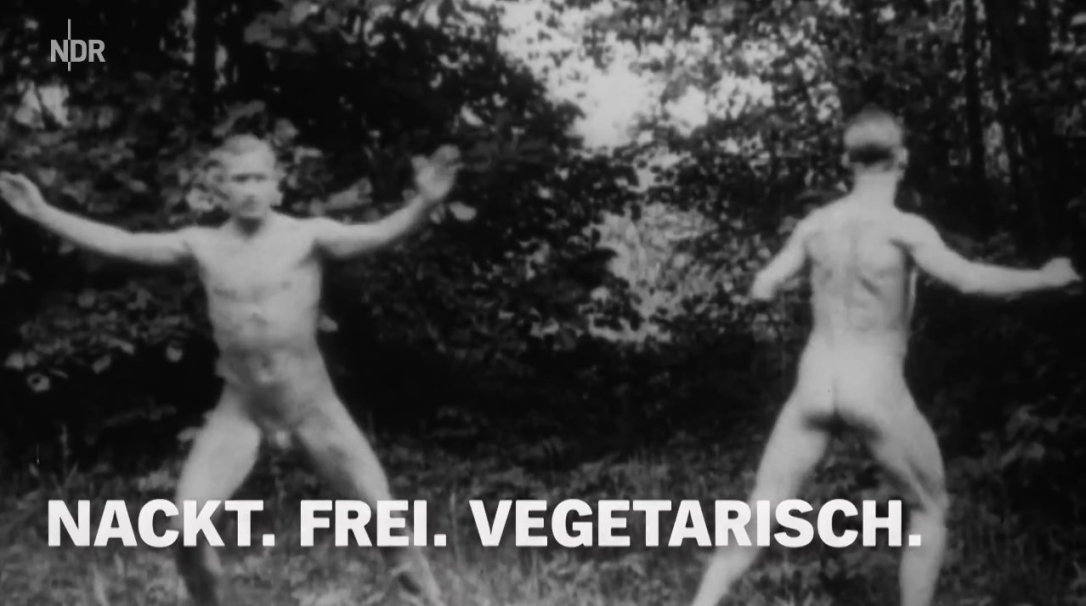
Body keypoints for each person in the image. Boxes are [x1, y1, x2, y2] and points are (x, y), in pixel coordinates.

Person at [0, 134, 460, 606]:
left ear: (278, 184)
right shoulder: (203, 245)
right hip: (241, 408)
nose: (250, 190)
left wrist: (424, 203)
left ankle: (430, 600)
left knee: (383, 519)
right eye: (240, 180)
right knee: (185, 529)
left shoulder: (307, 236)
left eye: (259, 178)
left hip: (313, 406)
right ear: (220, 189)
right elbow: (122, 243)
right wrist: (41, 212)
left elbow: (380, 233)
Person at [687, 107, 1081, 606]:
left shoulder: (815, 226)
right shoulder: (905, 228)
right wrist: (1045, 278)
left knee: (762, 510)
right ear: (903, 158)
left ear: (845, 161)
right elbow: (969, 280)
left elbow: (763, 286)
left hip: (815, 383)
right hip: (872, 383)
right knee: (929, 509)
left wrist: (800, 284)